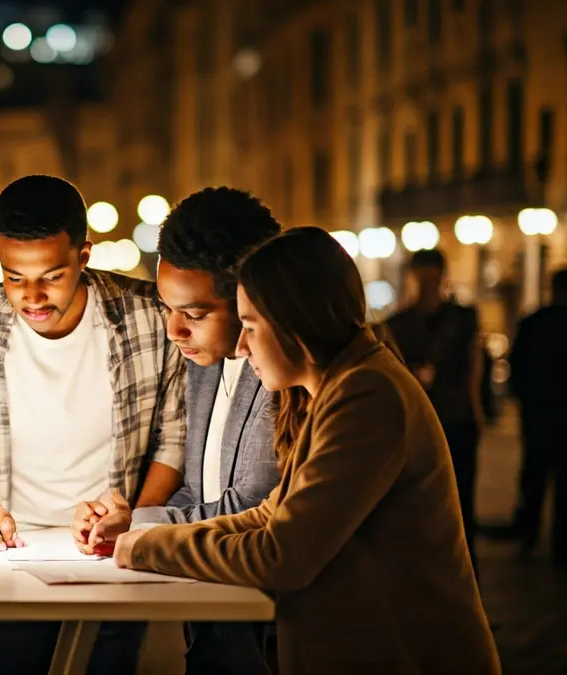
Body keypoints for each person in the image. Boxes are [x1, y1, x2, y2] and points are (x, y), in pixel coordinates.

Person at [114, 227, 501, 674]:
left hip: (406, 656)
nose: (241, 346)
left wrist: (151, 549)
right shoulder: (337, 388)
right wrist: (149, 535)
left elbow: (283, 555)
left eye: (252, 326)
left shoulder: (367, 395)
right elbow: (270, 515)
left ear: (296, 322)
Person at [0, 175, 187, 675]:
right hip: (11, 554)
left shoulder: (148, 315)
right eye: (14, 277)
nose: (32, 296)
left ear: (84, 256)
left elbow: (173, 438)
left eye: (51, 275)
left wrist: (135, 520)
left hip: (113, 555)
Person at [74, 187, 282, 674]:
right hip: (210, 620)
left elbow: (254, 504)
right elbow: (200, 485)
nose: (174, 331)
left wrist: (142, 527)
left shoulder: (284, 372)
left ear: (251, 294)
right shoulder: (206, 363)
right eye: (169, 309)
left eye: (194, 314)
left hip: (272, 631)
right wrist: (136, 514)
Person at [386, 248, 485, 565]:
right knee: (417, 503)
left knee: (462, 501)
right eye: (421, 276)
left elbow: (473, 365)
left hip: (455, 416)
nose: (427, 283)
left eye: (431, 276)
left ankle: (464, 571)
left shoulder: (463, 317)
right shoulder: (398, 323)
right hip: (415, 422)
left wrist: (476, 408)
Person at [507, 268, 567, 565]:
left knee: (534, 476)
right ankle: (560, 545)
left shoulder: (534, 322)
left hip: (539, 414)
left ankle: (528, 536)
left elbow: (517, 367)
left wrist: (524, 401)